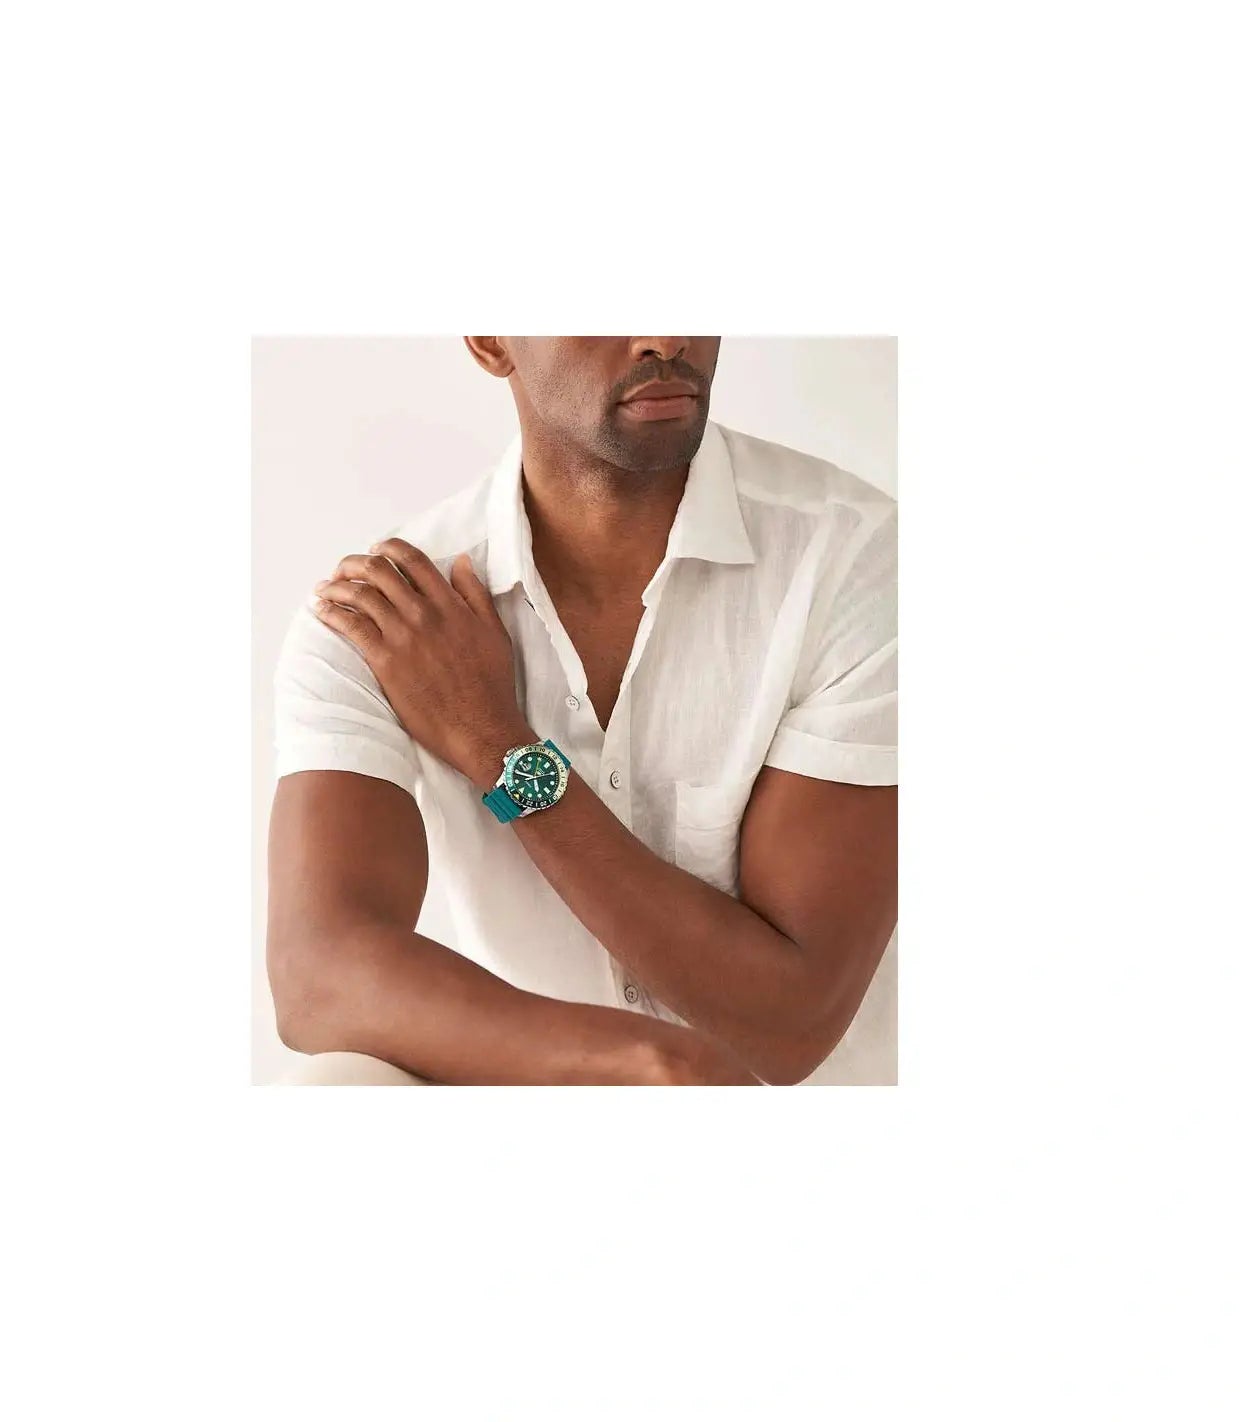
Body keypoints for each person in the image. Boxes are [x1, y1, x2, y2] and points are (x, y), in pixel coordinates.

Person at [266, 337, 897, 1085]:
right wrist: (645, 1062)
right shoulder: (395, 617)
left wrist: (498, 748)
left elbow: (792, 1023)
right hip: (547, 1102)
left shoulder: (854, 558)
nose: (665, 336)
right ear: (490, 340)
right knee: (330, 1088)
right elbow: (318, 974)